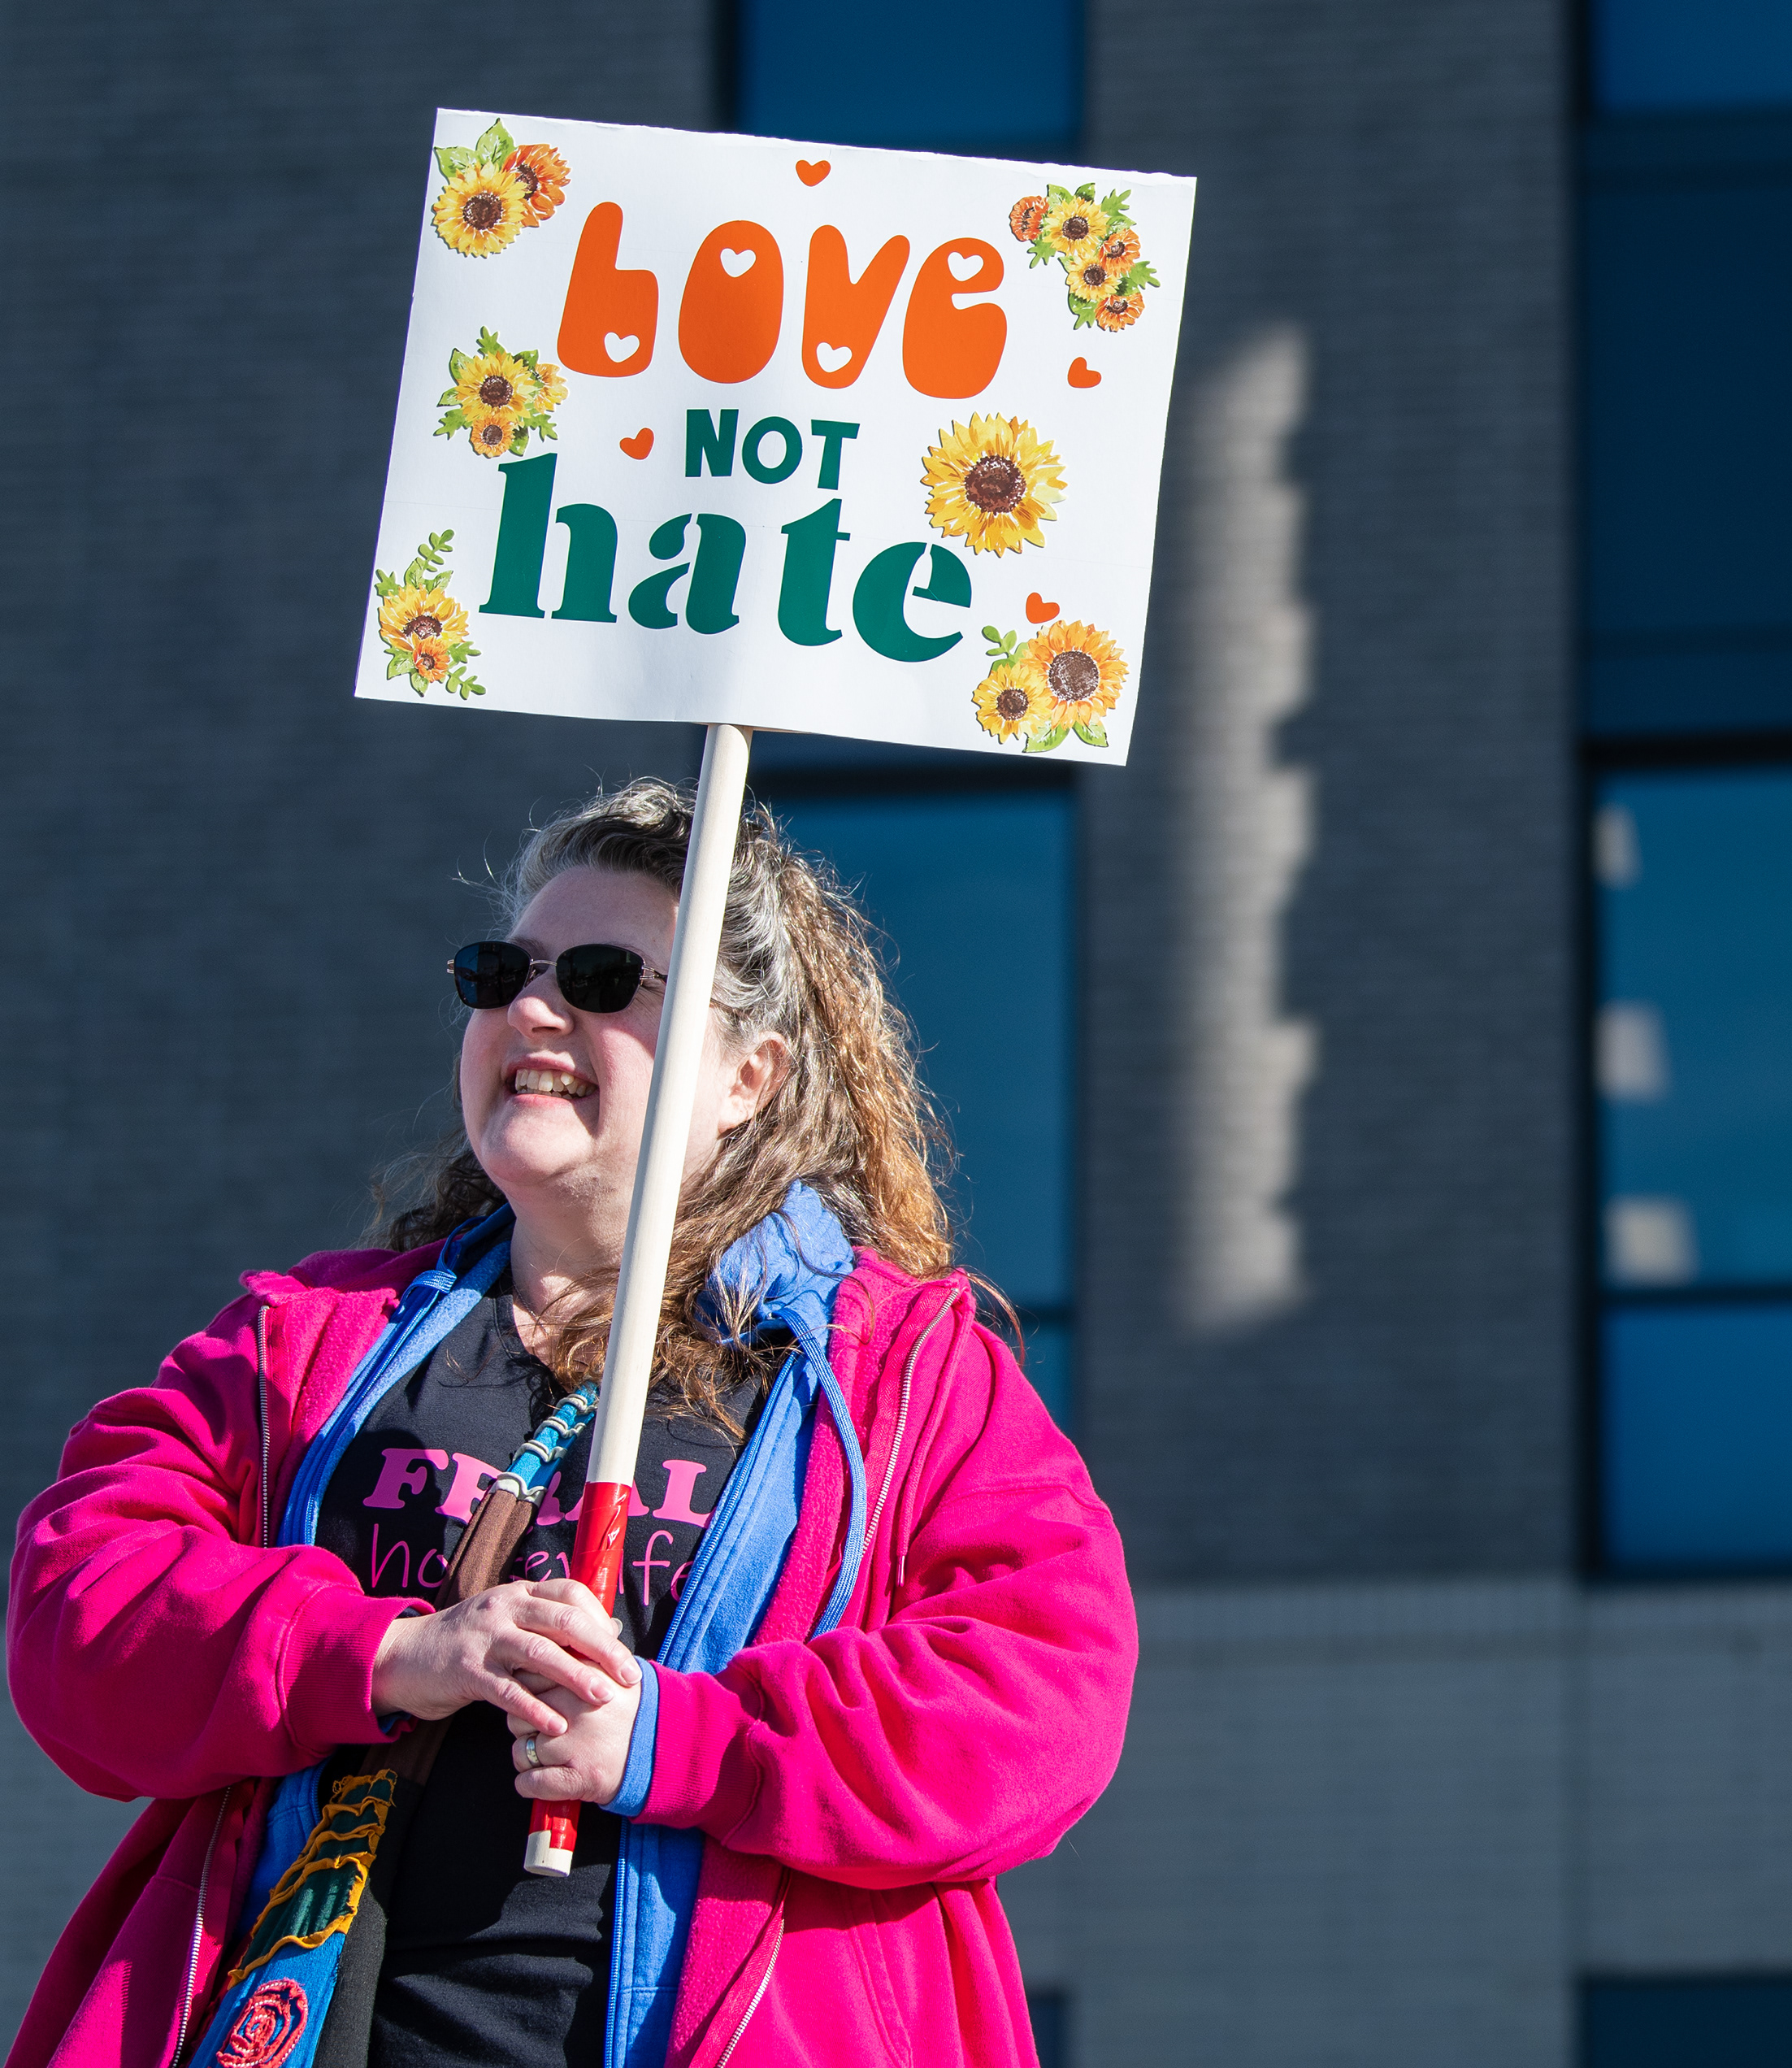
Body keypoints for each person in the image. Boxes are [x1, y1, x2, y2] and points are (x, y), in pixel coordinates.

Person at [8, 781, 1133, 2066]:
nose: (533, 1009)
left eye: (604, 978)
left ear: (748, 1076)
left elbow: (1040, 1699)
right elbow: (77, 1614)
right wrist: (386, 1655)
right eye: (500, 973)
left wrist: (674, 1738)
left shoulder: (905, 1375)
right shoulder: (304, 1340)